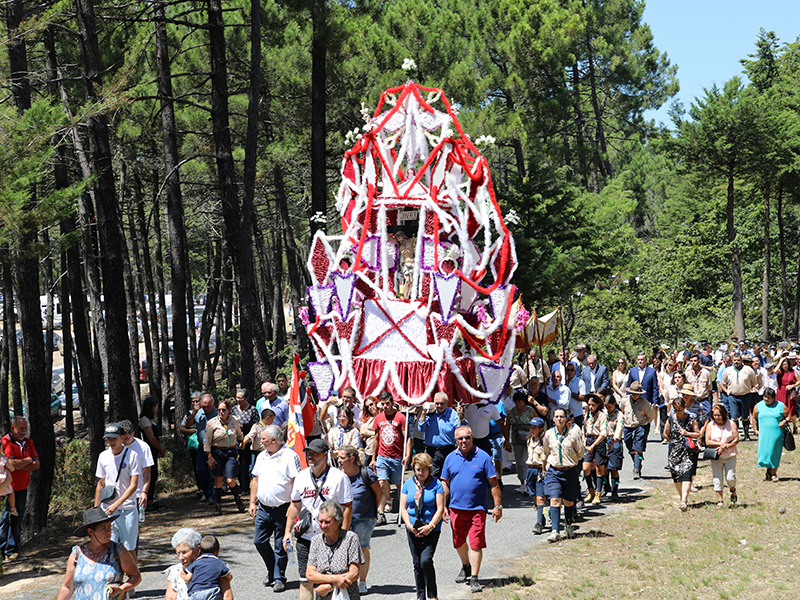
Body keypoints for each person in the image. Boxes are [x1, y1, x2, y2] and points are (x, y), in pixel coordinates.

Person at [283, 438, 353, 600]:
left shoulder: (339, 477)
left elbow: (347, 507)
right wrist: (288, 532)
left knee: (330, 582)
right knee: (305, 580)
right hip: (306, 537)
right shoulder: (301, 477)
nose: (310, 456)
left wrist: (344, 534)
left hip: (331, 538)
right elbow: (294, 506)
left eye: (315, 453)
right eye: (308, 453)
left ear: (325, 455)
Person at [440, 425, 502, 594]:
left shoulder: (483, 457)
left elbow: (493, 483)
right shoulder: (450, 458)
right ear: (455, 440)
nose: (464, 441)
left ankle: (474, 577)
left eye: (467, 437)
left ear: (472, 437)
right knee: (458, 542)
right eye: (460, 438)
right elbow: (445, 482)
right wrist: (443, 506)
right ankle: (466, 566)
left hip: (477, 509)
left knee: (475, 543)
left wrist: (498, 506)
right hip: (455, 508)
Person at [249, 425, 301, 592]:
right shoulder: (261, 456)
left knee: (281, 544)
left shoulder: (290, 456)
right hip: (264, 508)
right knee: (259, 541)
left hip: (283, 508)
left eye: (263, 438)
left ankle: (279, 577)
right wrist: (252, 502)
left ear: (274, 440)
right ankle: (272, 570)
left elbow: (296, 482)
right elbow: (255, 480)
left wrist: (294, 506)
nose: (260, 441)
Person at [56, 506, 141, 600]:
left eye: (110, 527)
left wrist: (122, 588)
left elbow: (136, 576)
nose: (109, 532)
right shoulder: (77, 554)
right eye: (103, 528)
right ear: (91, 532)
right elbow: (67, 587)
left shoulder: (118, 551)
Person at [337, 445, 383, 594]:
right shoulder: (338, 475)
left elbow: (379, 494)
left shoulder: (366, 474)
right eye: (338, 457)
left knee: (362, 548)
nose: (339, 460)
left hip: (364, 518)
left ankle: (362, 582)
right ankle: (348, 580)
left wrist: (370, 510)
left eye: (342, 458)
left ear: (352, 459)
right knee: (343, 548)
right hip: (343, 518)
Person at [400, 453, 446, 600]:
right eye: (418, 469)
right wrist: (408, 525)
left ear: (429, 469)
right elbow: (403, 508)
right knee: (416, 563)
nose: (420, 473)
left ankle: (433, 595)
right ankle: (421, 596)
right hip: (412, 528)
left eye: (424, 470)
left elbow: (440, 508)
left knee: (425, 560)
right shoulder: (408, 484)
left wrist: (430, 527)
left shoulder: (436, 484)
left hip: (431, 528)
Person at [94, 423, 141, 556]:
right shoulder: (103, 456)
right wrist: (96, 510)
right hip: (108, 510)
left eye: (114, 438)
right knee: (109, 547)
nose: (111, 442)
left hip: (128, 509)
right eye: (108, 439)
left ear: (122, 438)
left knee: (129, 549)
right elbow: (101, 483)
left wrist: (117, 504)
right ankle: (114, 576)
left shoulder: (132, 455)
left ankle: (133, 576)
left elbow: (133, 485)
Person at [306, 500, 364, 600]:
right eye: (320, 521)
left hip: (347, 595)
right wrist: (335, 579)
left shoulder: (350, 538)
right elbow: (310, 574)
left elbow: (354, 573)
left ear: (338, 521)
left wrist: (330, 587)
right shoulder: (316, 541)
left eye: (327, 522)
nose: (323, 525)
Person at [541, 408, 584, 542]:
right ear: (553, 419)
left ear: (566, 419)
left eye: (561, 417)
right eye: (556, 417)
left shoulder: (573, 434)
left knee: (569, 501)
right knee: (555, 500)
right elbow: (546, 452)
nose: (559, 419)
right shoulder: (548, 434)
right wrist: (544, 468)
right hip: (554, 471)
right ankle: (555, 531)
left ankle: (569, 525)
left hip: (570, 471)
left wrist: (571, 462)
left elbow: (580, 452)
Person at [0, 416, 38, 560]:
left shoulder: (29, 443)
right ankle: (1, 553)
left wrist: (19, 463)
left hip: (21, 489)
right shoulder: (5, 442)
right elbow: (11, 465)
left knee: (17, 520)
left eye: (25, 429)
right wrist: (28, 461)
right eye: (21, 429)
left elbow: (37, 463)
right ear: (12, 428)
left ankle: (13, 551)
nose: (24, 432)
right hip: (4, 490)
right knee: (3, 521)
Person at [370, 392, 410, 525]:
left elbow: (407, 438)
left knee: (399, 485)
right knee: (381, 483)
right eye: (383, 404)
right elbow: (376, 439)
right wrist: (373, 458)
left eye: (387, 403)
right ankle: (381, 514)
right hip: (382, 456)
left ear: (392, 403)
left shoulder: (400, 417)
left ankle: (403, 512)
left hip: (397, 458)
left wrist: (407, 455)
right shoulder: (379, 418)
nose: (385, 406)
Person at [167, 528, 234, 600]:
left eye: (184, 552)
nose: (180, 558)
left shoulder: (214, 567)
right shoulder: (176, 571)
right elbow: (170, 597)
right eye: (178, 553)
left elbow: (227, 596)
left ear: (198, 549)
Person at [204, 398, 245, 514]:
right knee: (218, 480)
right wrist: (209, 456)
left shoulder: (234, 421)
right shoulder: (212, 423)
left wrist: (242, 441)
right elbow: (206, 440)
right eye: (219, 410)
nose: (221, 412)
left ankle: (238, 500)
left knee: (230, 479)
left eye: (224, 410)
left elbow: (238, 433)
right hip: (217, 452)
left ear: (229, 410)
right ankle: (218, 506)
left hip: (231, 452)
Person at [118, 419, 154, 550]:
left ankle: (132, 560)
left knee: (132, 531)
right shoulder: (116, 447)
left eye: (126, 438)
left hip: (136, 494)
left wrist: (144, 491)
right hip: (118, 496)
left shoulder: (143, 447)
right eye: (121, 438)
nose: (124, 441)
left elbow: (147, 472)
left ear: (133, 433)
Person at [664, 396, 700, 511]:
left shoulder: (691, 418)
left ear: (684, 407)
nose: (678, 412)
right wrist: (672, 441)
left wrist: (687, 433)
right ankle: (682, 498)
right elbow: (666, 433)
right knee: (676, 475)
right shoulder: (670, 419)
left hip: (688, 450)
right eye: (676, 409)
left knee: (687, 473)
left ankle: (684, 500)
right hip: (674, 451)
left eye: (680, 409)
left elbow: (698, 433)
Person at [417, 392, 461, 478]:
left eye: (442, 403)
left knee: (449, 476)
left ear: (447, 403)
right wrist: (423, 414)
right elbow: (421, 428)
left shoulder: (453, 414)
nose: (439, 406)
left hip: (448, 450)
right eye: (437, 403)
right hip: (432, 451)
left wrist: (461, 417)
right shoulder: (429, 414)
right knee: (432, 477)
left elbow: (459, 429)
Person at [619, 381, 656, 479]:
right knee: (629, 445)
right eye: (632, 393)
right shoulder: (624, 400)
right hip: (628, 426)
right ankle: (637, 462)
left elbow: (651, 416)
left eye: (636, 394)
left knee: (638, 447)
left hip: (640, 425)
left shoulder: (645, 403)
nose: (634, 396)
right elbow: (621, 411)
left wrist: (645, 424)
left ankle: (636, 469)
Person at [704, 404, 739, 508]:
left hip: (730, 456)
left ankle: (733, 490)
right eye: (714, 415)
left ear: (723, 414)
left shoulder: (731, 424)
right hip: (716, 457)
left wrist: (727, 446)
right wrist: (720, 445)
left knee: (730, 478)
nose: (716, 417)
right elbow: (708, 441)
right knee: (717, 479)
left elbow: (736, 439)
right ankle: (720, 500)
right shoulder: (710, 425)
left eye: (718, 415)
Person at [186, 394, 218, 504]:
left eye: (207, 406)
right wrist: (194, 412)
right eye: (203, 406)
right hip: (201, 447)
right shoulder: (199, 412)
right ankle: (205, 492)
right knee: (201, 471)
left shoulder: (218, 413)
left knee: (213, 472)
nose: (205, 408)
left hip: (214, 447)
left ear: (212, 404)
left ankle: (212, 495)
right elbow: (188, 424)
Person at [753, 388, 790, 482]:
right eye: (764, 397)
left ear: (774, 398)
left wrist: (784, 421)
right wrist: (755, 430)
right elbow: (754, 418)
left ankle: (774, 473)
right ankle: (769, 469)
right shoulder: (758, 406)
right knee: (766, 452)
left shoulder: (781, 406)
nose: (766, 399)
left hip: (776, 434)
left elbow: (788, 415)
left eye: (768, 397)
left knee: (775, 452)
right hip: (764, 434)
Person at [180, 535, 231, 600]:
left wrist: (182, 575)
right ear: (217, 552)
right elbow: (228, 576)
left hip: (196, 593)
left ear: (200, 550)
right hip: (212, 592)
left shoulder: (196, 563)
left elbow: (187, 578)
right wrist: (230, 578)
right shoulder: (219, 563)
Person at [721, 353, 759, 440]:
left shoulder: (748, 369)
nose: (736, 362)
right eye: (735, 360)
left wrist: (747, 389)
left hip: (746, 396)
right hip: (733, 396)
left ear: (741, 360)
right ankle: (735, 435)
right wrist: (728, 392)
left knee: (745, 416)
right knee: (734, 416)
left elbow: (754, 383)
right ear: (732, 361)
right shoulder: (728, 370)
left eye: (738, 360)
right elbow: (723, 383)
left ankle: (746, 434)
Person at [139, 396, 166, 508]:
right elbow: (151, 438)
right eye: (156, 406)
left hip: (153, 450)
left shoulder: (151, 420)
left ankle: (151, 500)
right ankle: (147, 501)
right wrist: (161, 449)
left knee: (154, 475)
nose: (157, 409)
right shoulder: (145, 420)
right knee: (150, 474)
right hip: (149, 450)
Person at [231, 388, 259, 492]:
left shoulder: (252, 409)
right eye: (237, 397)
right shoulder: (234, 409)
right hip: (235, 440)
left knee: (245, 464)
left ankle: (245, 487)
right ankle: (239, 484)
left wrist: (244, 426)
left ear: (246, 398)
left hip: (247, 441)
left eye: (240, 398)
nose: (238, 400)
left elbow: (256, 424)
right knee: (236, 463)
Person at [582, 394, 607, 505]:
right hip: (588, 441)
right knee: (586, 468)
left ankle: (598, 493)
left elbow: (603, 433)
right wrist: (584, 442)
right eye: (589, 405)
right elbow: (584, 429)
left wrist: (594, 445)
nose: (591, 407)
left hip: (599, 442)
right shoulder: (587, 415)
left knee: (598, 468)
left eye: (593, 405)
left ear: (598, 405)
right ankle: (590, 490)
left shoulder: (602, 415)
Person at [179, 393, 206, 500]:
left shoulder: (207, 411)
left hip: (208, 443)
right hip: (195, 445)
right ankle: (201, 489)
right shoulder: (189, 413)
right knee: (197, 467)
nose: (195, 403)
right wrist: (192, 431)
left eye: (197, 401)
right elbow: (183, 427)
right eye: (193, 401)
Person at [507, 391, 535, 493]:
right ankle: (522, 483)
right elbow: (507, 426)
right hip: (516, 440)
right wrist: (507, 441)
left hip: (528, 440)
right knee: (519, 462)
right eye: (516, 402)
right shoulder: (511, 412)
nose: (518, 404)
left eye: (520, 401)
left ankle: (529, 483)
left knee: (525, 461)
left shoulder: (530, 411)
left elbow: (536, 424)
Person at [524, 417, 547, 534]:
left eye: (534, 428)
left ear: (541, 429)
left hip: (539, 470)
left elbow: (546, 458)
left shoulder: (544, 442)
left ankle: (538, 523)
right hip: (530, 470)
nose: (531, 429)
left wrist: (544, 470)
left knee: (540, 497)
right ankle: (541, 516)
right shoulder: (529, 440)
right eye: (530, 427)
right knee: (533, 495)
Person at [601, 390, 624, 501]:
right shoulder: (603, 413)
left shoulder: (619, 415)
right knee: (604, 468)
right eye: (606, 407)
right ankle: (606, 487)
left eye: (610, 407)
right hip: (604, 441)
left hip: (614, 442)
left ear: (614, 404)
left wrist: (614, 441)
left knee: (613, 468)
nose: (608, 409)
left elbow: (619, 429)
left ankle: (615, 491)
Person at [774, 355, 798, 435]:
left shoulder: (793, 372)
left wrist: (792, 385)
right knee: (781, 410)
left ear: (788, 364)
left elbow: (798, 381)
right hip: (781, 391)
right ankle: (783, 427)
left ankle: (795, 426)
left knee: (791, 410)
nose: (784, 366)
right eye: (783, 364)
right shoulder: (780, 372)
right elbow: (775, 370)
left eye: (785, 364)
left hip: (790, 393)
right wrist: (780, 360)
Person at [359, 396, 380, 465]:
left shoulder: (382, 416)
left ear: (376, 403)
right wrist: (376, 433)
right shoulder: (367, 419)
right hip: (369, 451)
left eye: (371, 404)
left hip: (381, 452)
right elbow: (362, 432)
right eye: (367, 406)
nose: (370, 407)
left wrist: (368, 432)